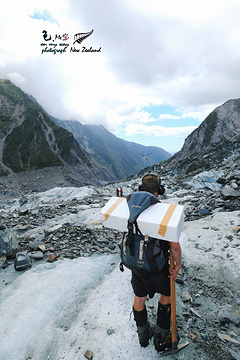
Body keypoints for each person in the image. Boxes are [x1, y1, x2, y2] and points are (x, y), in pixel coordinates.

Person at [131, 174, 182, 351]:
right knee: (166, 295)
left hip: (136, 265)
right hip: (157, 266)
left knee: (140, 297)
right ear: (158, 191)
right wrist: (178, 265)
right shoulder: (162, 212)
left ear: (140, 189)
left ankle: (143, 336)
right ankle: (161, 337)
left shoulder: (131, 208)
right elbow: (174, 247)